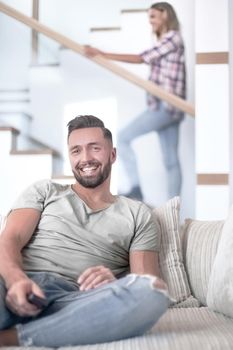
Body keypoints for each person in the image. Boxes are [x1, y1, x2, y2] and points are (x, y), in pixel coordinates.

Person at [0, 115, 169, 347]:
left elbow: (149, 281)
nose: (85, 158)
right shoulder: (45, 191)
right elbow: (10, 239)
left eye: (95, 148)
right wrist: (17, 281)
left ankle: (13, 338)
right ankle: (57, 331)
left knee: (152, 294)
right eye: (76, 151)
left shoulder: (138, 214)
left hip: (78, 299)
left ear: (112, 154)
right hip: (22, 284)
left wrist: (114, 284)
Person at [84, 2, 186, 201]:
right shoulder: (167, 39)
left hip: (166, 107)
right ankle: (174, 205)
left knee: (122, 137)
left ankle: (136, 188)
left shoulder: (173, 37)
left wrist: (102, 54)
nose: (151, 22)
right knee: (171, 161)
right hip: (168, 108)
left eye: (153, 17)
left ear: (165, 16)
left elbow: (142, 58)